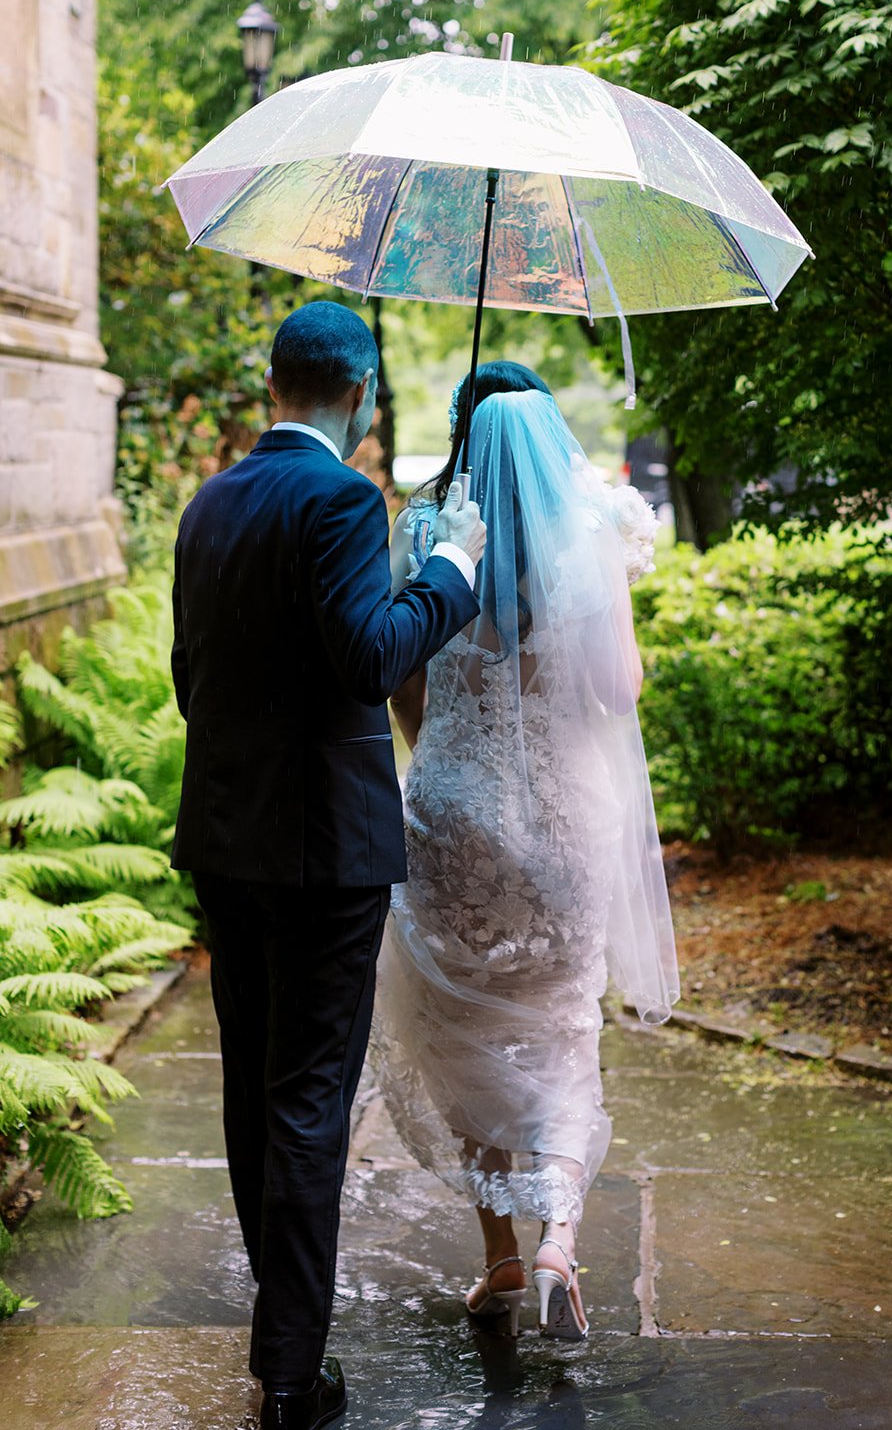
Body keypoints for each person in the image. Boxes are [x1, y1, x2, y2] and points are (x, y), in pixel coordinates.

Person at [170, 300, 486, 1430]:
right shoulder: (343, 498)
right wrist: (450, 569)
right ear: (358, 393)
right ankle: (292, 1380)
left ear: (273, 385)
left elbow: (185, 673)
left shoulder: (209, 503)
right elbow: (368, 659)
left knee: (255, 1093)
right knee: (307, 1099)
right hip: (323, 856)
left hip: (226, 837)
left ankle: (282, 1331)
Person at [371, 362, 679, 1343]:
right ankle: (559, 1247)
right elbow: (618, 690)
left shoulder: (428, 534)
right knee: (560, 1025)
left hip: (453, 814)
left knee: (457, 1024)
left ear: (465, 437)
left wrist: (451, 762)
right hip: (562, 821)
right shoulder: (585, 538)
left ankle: (499, 1251)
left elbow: (402, 678)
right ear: (550, 443)